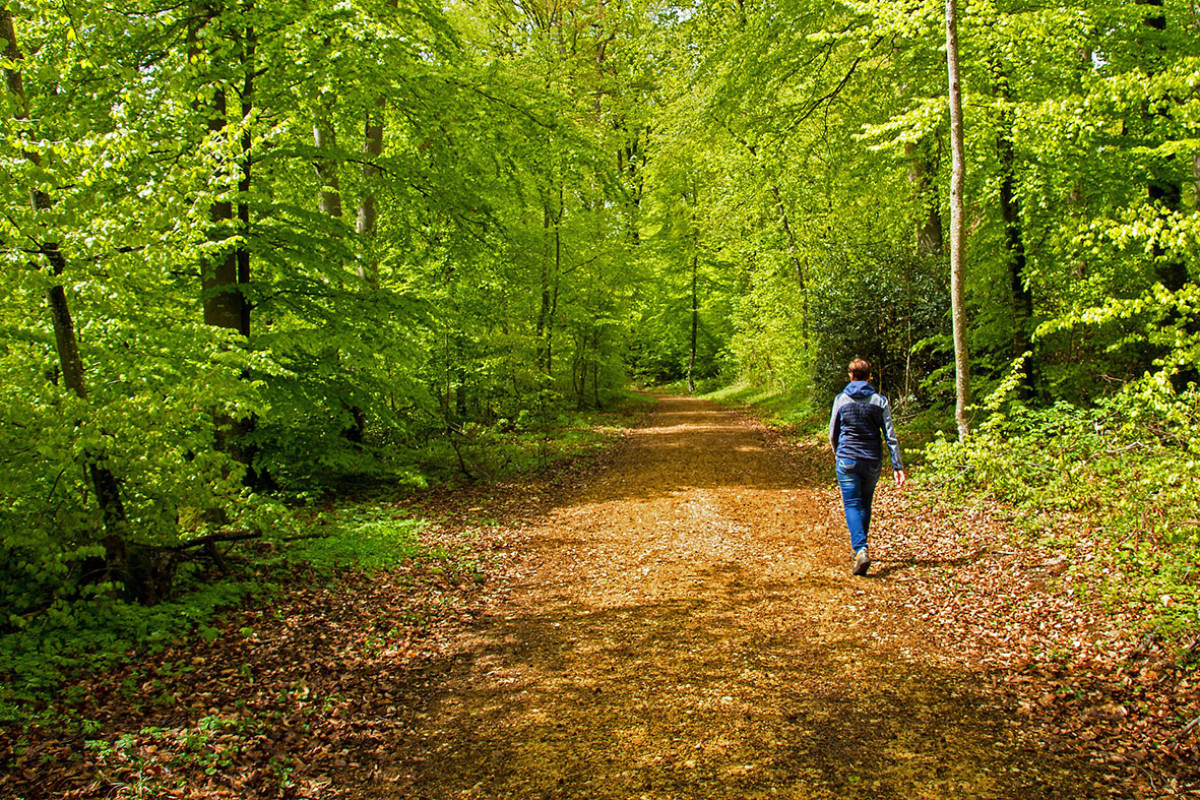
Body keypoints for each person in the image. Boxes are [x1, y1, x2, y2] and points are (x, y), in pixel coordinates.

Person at [829, 358, 906, 576]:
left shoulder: (841, 399)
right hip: (872, 460)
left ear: (850, 376)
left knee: (852, 504)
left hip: (847, 458)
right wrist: (897, 465)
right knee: (865, 503)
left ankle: (860, 549)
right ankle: (861, 547)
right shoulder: (879, 401)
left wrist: (838, 454)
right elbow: (890, 436)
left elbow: (833, 432)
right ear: (869, 376)